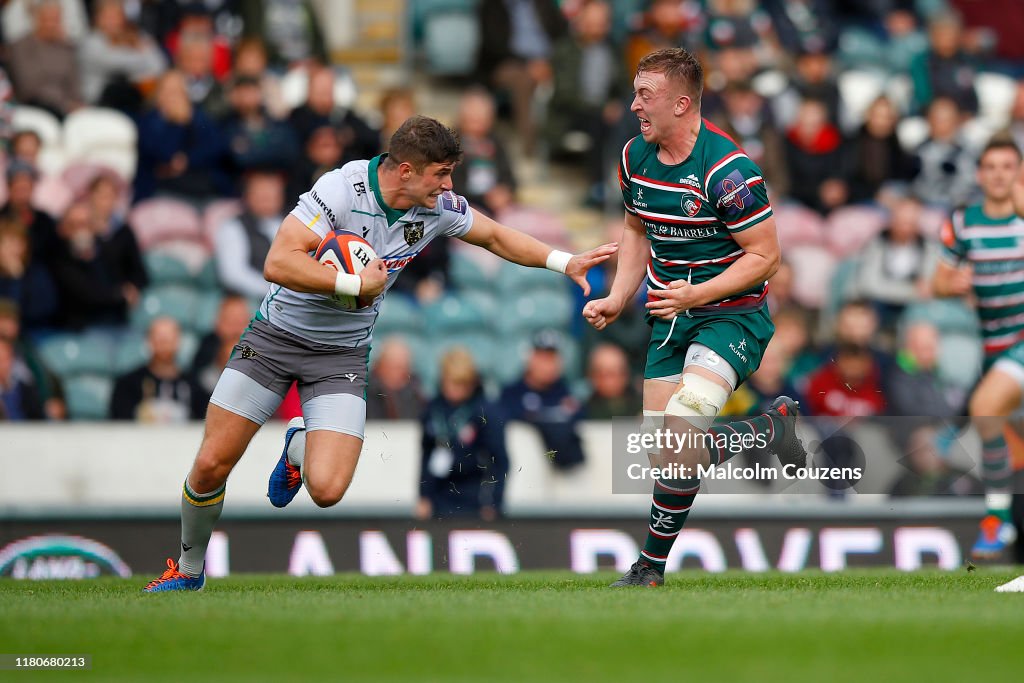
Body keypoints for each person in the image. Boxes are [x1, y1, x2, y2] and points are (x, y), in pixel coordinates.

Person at [142, 115, 615, 591]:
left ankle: (298, 446)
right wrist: (352, 283)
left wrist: (563, 260)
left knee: (327, 490)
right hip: (275, 337)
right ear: (406, 170)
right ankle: (188, 570)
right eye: (441, 174)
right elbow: (277, 261)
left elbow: (494, 236)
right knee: (210, 465)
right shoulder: (342, 188)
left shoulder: (437, 206)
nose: (449, 185)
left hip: (341, 355)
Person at [583, 48, 805, 588]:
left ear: (682, 104)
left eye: (645, 95)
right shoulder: (635, 156)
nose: (634, 104)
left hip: (732, 318)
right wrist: (618, 296)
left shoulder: (729, 171)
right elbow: (638, 230)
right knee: (667, 458)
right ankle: (766, 429)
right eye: (635, 91)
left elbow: (765, 258)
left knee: (683, 429)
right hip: (671, 318)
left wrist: (695, 294)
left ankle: (649, 570)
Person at [933, 137, 1024, 559]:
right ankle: (1000, 516)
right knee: (991, 420)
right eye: (992, 166)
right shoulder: (963, 223)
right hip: (996, 345)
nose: (1000, 174)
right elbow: (935, 281)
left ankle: (996, 518)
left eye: (1008, 166)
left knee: (986, 407)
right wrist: (950, 284)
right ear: (980, 174)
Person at [417, 347, 508, 520]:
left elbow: (500, 461)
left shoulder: (485, 412)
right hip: (439, 497)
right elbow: (426, 456)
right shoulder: (433, 410)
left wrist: (494, 502)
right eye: (450, 382)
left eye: (461, 383)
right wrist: (423, 496)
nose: (455, 389)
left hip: (475, 497)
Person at [499, 329, 586, 470]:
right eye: (542, 358)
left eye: (552, 358)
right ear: (530, 358)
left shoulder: (565, 392)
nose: (547, 365)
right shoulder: (511, 393)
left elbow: (581, 416)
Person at [110, 316, 208, 422]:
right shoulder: (127, 385)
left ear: (178, 341)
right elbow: (119, 427)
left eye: (169, 339)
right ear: (148, 341)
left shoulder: (195, 387)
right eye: (159, 338)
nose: (164, 344)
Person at [214, 170, 286, 299]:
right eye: (262, 194)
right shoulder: (233, 226)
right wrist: (274, 292)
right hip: (250, 300)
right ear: (247, 195)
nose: (267, 198)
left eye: (272, 193)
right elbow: (233, 275)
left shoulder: (291, 224)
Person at [365, 337, 424, 421]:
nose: (402, 373)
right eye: (396, 367)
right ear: (381, 366)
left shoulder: (416, 394)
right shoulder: (366, 393)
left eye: (405, 367)